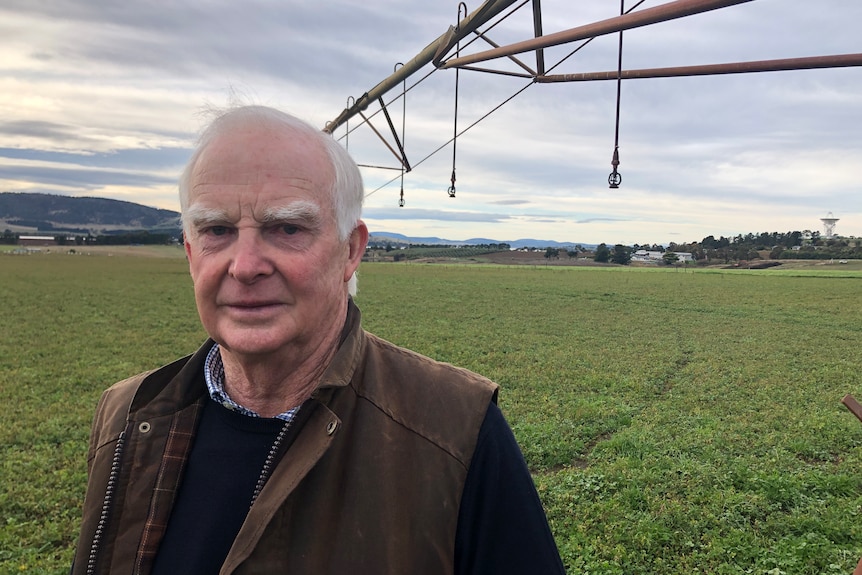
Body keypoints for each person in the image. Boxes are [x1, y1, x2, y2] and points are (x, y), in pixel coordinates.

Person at [72, 105, 566, 574]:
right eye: (217, 230)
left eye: (287, 227)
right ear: (189, 253)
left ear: (351, 251)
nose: (244, 266)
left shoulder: (456, 428)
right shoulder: (127, 413)